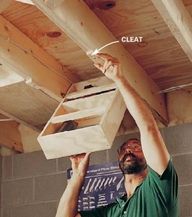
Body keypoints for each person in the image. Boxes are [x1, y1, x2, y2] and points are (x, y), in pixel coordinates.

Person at [55, 53, 179, 217]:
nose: (129, 150)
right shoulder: (113, 211)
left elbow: (148, 127)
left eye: (136, 147)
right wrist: (78, 175)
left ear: (149, 155)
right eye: (125, 149)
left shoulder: (159, 188)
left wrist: (119, 80)